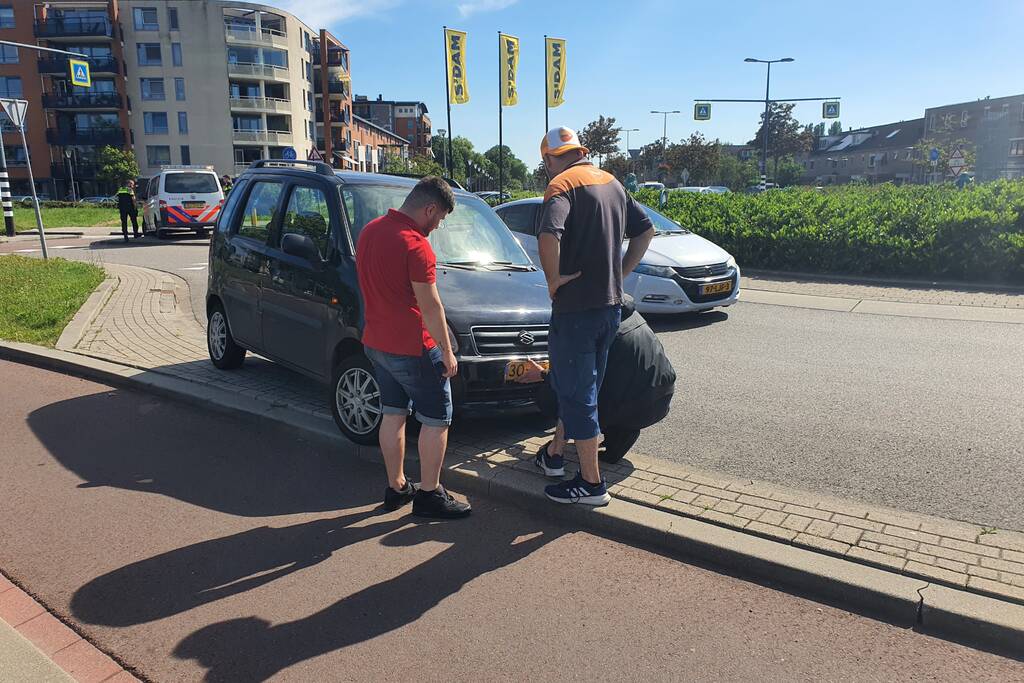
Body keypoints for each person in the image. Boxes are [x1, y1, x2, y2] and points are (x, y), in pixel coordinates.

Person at [535, 126, 655, 506]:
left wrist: (554, 279)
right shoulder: (612, 183)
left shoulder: (561, 186)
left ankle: (590, 483)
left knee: (577, 392)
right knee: (582, 388)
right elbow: (646, 230)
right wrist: (621, 274)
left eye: (546, 164)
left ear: (551, 158)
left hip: (575, 310)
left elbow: (549, 234)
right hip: (609, 308)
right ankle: (555, 456)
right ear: (579, 151)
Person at [355, 176, 471, 519]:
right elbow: (431, 306)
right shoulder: (415, 245)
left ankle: (397, 487)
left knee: (392, 414)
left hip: (376, 343)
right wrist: (447, 351)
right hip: (413, 347)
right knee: (437, 420)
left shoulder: (370, 231)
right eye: (439, 219)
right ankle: (430, 494)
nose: (436, 227)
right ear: (430, 209)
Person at [518, 294, 676, 464]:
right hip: (660, 398)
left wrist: (542, 374)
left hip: (628, 404)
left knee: (550, 394)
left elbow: (575, 380)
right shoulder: (630, 315)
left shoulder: (595, 326)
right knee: (617, 386)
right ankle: (617, 441)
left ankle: (557, 450)